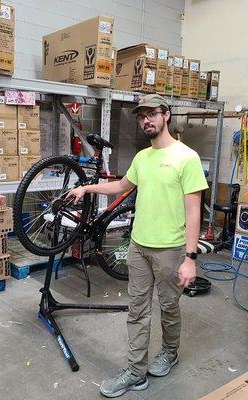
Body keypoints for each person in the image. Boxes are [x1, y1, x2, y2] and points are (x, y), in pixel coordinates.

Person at [67, 94, 209, 398]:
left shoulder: (187, 157)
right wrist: (86, 187)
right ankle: (135, 372)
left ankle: (169, 352)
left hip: (171, 249)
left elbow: (193, 210)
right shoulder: (143, 158)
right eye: (142, 116)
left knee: (169, 306)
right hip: (139, 247)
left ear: (166, 115)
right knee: (137, 310)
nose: (146, 120)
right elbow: (120, 186)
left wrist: (190, 257)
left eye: (152, 114)